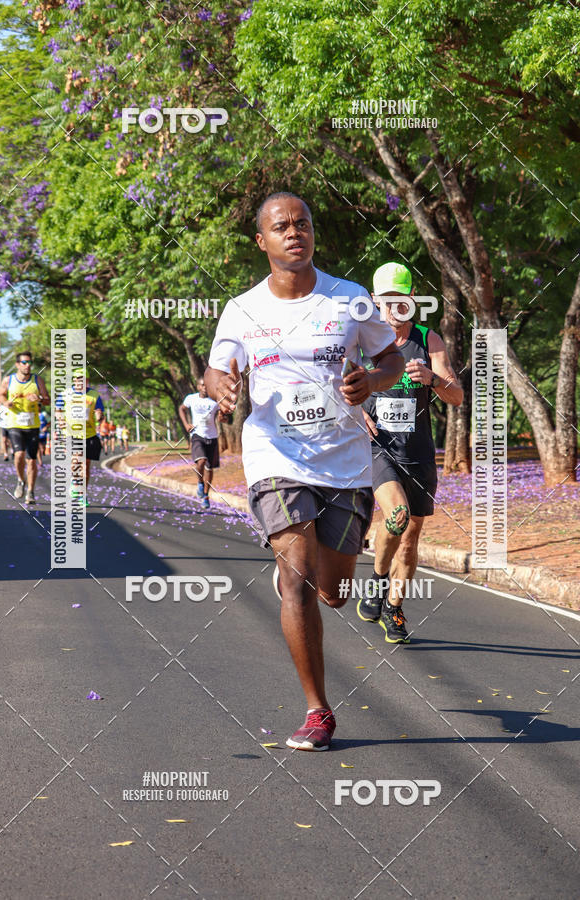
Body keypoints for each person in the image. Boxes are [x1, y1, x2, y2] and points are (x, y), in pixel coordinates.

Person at [205, 192, 404, 751]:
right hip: (276, 456)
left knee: (335, 592)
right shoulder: (242, 310)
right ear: (261, 241)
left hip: (343, 461)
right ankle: (318, 711)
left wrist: (374, 381)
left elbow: (388, 358)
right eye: (281, 226)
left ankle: (316, 573)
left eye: (303, 224)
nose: (295, 233)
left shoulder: (351, 299)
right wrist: (219, 387)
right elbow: (216, 371)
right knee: (295, 580)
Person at [357, 262, 463, 643]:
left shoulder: (428, 340)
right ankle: (378, 579)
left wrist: (433, 380)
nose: (392, 311)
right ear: (374, 302)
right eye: (386, 303)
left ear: (411, 302)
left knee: (411, 534)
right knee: (397, 514)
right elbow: (334, 387)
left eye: (400, 302)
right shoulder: (360, 341)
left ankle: (393, 605)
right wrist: (355, 416)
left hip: (417, 452)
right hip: (377, 447)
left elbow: (457, 395)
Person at [0, 351, 50, 504]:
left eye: (29, 363)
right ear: (17, 364)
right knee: (19, 455)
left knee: (32, 461)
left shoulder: (37, 380)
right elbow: (1, 394)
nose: (27, 365)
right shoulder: (9, 380)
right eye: (24, 362)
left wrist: (39, 398)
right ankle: (21, 480)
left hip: (32, 425)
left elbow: (47, 400)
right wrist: (5, 402)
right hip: (15, 424)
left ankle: (31, 492)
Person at [57, 368, 104, 503]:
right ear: (74, 380)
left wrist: (99, 416)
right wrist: (61, 421)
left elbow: (99, 411)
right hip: (71, 433)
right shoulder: (66, 394)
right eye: (77, 379)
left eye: (83, 379)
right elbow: (58, 410)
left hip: (88, 433)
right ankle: (74, 481)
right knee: (77, 460)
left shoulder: (94, 395)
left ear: (87, 381)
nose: (80, 382)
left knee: (86, 466)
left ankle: (82, 494)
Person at [179, 377, 222, 510]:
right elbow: (182, 409)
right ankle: (199, 483)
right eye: (202, 385)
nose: (205, 387)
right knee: (201, 461)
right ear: (198, 387)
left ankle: (206, 496)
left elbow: (222, 416)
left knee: (210, 468)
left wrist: (223, 417)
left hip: (212, 436)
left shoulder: (215, 401)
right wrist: (186, 424)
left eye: (206, 385)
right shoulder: (191, 399)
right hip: (197, 435)